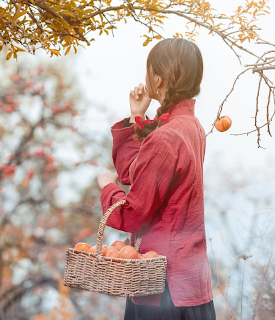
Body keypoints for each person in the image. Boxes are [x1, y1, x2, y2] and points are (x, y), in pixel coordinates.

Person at [97, 38, 216, 320]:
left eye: (149, 71)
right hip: (193, 285)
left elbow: (133, 215)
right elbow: (138, 173)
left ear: (159, 80)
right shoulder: (191, 127)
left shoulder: (166, 137)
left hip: (162, 292)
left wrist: (107, 187)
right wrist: (137, 117)